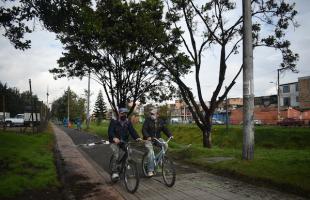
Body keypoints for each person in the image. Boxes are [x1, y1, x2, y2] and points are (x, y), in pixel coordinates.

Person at [108, 107, 142, 181]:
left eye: (126, 113)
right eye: (123, 113)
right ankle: (114, 172)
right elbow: (110, 131)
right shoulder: (114, 121)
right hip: (115, 142)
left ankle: (124, 164)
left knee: (129, 151)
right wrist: (114, 138)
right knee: (116, 154)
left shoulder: (128, 122)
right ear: (119, 114)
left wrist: (137, 137)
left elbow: (132, 131)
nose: (124, 115)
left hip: (124, 141)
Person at [142, 109, 173, 177]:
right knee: (150, 152)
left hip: (157, 139)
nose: (151, 115)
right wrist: (147, 136)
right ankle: (150, 170)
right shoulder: (147, 120)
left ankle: (159, 160)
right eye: (151, 114)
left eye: (153, 114)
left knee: (165, 145)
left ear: (157, 115)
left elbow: (165, 129)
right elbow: (144, 129)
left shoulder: (160, 121)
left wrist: (170, 135)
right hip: (148, 139)